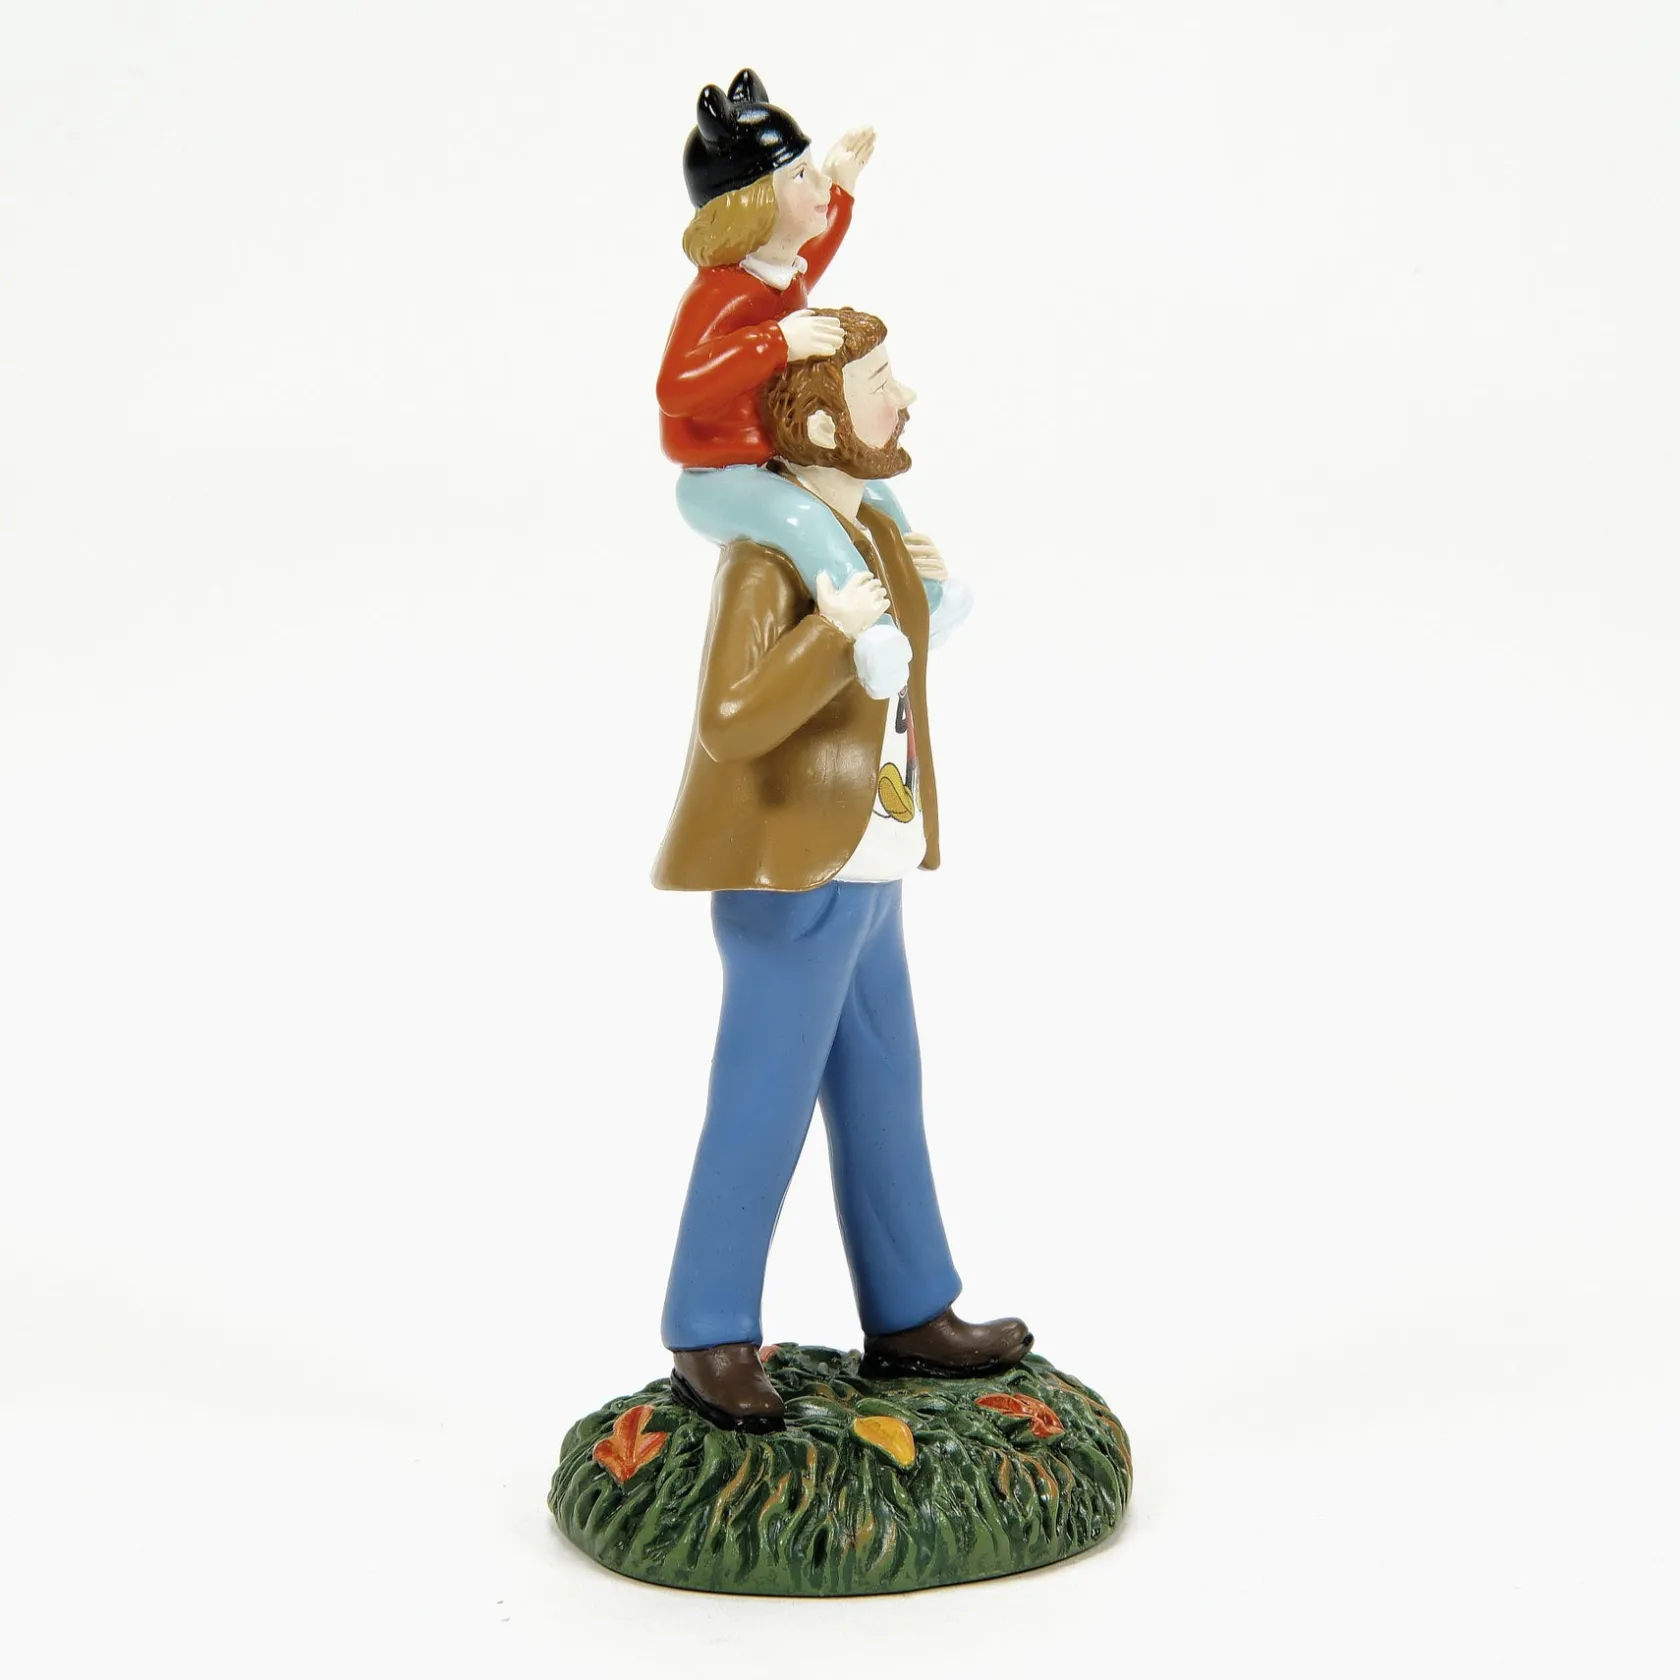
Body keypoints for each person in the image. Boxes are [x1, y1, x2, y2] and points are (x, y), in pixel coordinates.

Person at [653, 307, 1028, 1433]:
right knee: (761, 1103)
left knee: (884, 1090)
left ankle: (911, 1307)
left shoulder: (866, 531)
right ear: (819, 421)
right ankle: (709, 1328)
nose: (905, 400)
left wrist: (929, 598)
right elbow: (730, 720)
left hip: (870, 861)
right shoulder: (768, 561)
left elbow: (893, 673)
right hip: (790, 878)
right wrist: (832, 632)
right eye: (880, 384)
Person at [657, 70, 968, 700]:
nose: (819, 182)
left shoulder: (775, 275)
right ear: (754, 203)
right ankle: (872, 634)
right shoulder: (718, 296)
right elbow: (676, 387)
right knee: (803, 516)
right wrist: (776, 343)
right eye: (801, 176)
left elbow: (812, 260)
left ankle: (928, 599)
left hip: (780, 456)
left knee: (870, 489)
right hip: (721, 478)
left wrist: (843, 191)